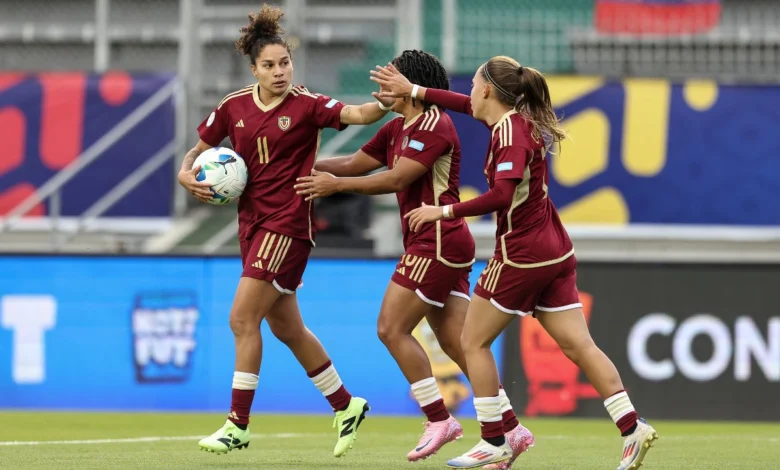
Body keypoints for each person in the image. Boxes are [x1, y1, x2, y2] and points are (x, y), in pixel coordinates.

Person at [371, 57, 659, 470]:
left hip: (523, 254)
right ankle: (632, 428)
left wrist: (444, 213)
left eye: (473, 84)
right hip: (555, 250)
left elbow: (502, 196)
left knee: (472, 342)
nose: (468, 92)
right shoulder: (507, 122)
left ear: (488, 89)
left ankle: (495, 439)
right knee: (578, 345)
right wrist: (414, 90)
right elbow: (456, 102)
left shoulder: (511, 134)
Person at [293, 50, 532, 463]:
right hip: (442, 243)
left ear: (411, 85)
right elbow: (352, 162)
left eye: (390, 78)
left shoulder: (435, 124)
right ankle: (510, 426)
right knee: (458, 343)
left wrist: (336, 187)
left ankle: (439, 419)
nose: (381, 85)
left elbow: (396, 178)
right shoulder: (397, 127)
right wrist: (291, 169)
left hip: (436, 242)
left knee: (390, 327)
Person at [177, 4, 392, 458]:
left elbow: (358, 115)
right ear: (253, 68)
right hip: (252, 227)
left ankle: (237, 424)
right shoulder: (232, 107)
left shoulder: (308, 104)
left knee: (240, 319)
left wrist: (389, 101)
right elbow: (195, 153)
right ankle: (345, 403)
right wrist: (185, 174)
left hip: (287, 226)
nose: (279, 72)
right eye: (270, 65)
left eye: (285, 63)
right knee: (287, 327)